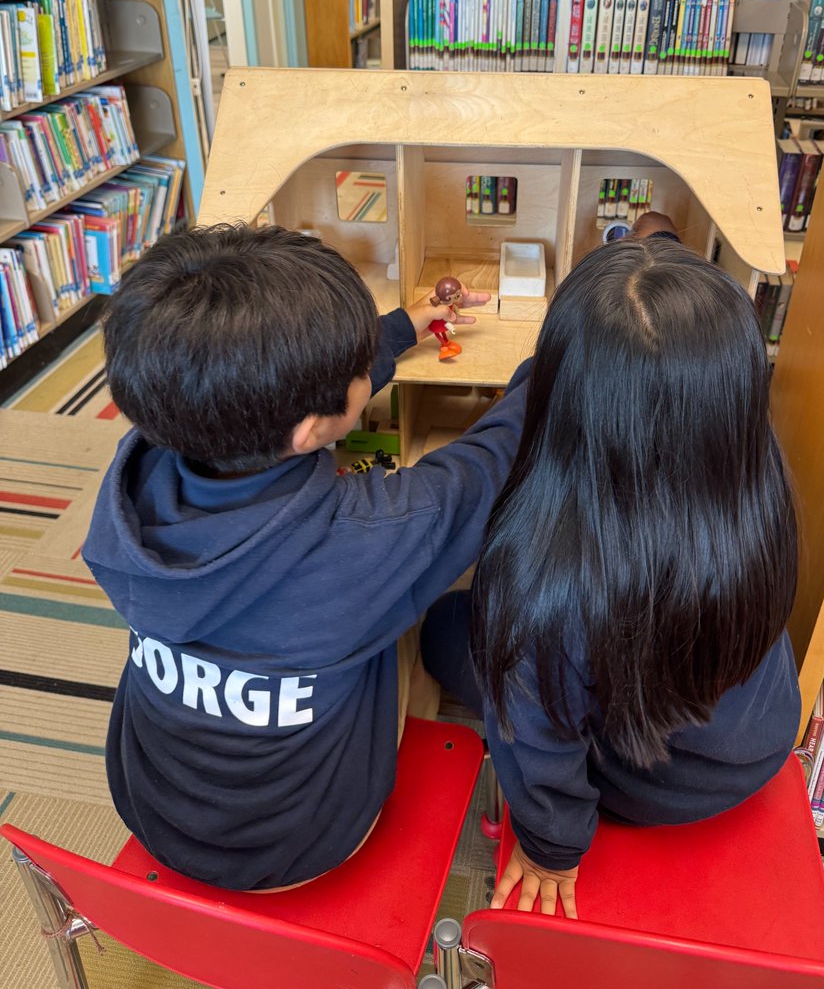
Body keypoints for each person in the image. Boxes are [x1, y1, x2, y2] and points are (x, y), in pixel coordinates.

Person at [83, 223, 531, 891]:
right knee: (434, 622)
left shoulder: (130, 483)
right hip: (305, 845)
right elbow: (494, 458)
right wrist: (553, 361)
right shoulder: (373, 537)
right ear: (309, 430)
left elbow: (263, 388)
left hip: (152, 811)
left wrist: (402, 326)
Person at [421, 213, 801, 920]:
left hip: (648, 786)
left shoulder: (544, 576)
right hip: (757, 746)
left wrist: (550, 848)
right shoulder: (758, 494)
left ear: (567, 398)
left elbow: (534, 739)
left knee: (447, 627)